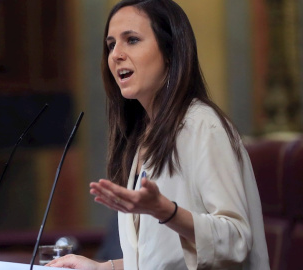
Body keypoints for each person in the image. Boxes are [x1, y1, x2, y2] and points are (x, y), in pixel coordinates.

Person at [46, 0, 270, 269]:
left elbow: (235, 240)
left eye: (132, 40)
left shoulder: (202, 126)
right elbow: (158, 261)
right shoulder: (143, 137)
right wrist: (99, 267)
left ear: (170, 52)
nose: (116, 54)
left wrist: (166, 211)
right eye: (111, 44)